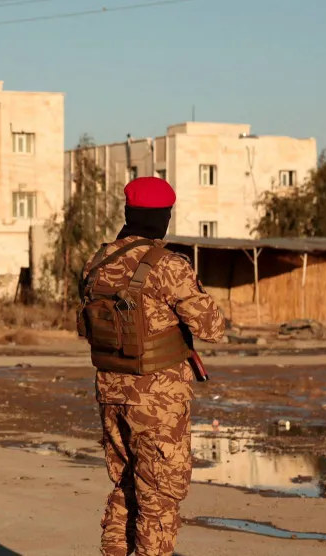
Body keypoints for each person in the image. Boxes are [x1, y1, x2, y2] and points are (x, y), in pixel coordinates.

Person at [77, 176, 226, 556]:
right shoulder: (167, 266)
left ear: (129, 213)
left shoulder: (97, 263)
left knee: (126, 485)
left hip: (111, 391)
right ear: (163, 217)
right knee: (159, 497)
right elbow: (211, 328)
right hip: (157, 400)